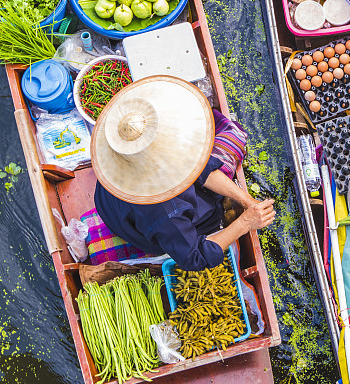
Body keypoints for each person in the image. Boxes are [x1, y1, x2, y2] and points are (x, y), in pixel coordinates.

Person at [91, 76, 275, 271]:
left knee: (217, 151)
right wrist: (245, 223)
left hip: (111, 203)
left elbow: (203, 168)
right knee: (211, 213)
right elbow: (194, 258)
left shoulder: (135, 149)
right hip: (135, 226)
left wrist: (245, 200)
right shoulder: (166, 209)